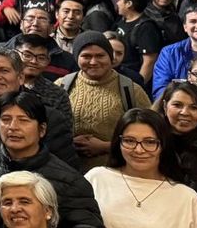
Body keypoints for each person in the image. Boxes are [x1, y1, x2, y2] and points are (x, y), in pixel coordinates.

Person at [0, 91, 114, 228]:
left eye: (24, 120)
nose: (13, 127)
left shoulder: (69, 180)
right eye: (5, 120)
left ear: (42, 130)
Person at [61, 30, 151, 170]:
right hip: (69, 172)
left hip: (116, 171)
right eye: (86, 56)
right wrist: (68, 143)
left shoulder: (131, 90)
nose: (93, 62)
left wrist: (105, 147)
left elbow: (150, 135)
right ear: (76, 58)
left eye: (100, 56)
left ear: (110, 57)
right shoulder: (62, 86)